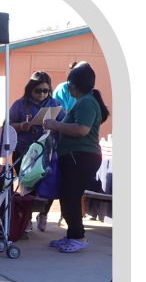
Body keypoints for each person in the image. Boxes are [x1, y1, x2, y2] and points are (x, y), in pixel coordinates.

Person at [40, 63, 107, 253]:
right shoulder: (83, 100)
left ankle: (78, 237)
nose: (67, 87)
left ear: (75, 86)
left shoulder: (87, 101)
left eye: (69, 83)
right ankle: (71, 235)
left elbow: (82, 129)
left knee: (71, 197)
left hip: (82, 157)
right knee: (67, 195)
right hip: (75, 156)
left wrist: (55, 124)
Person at [5, 74, 54, 240]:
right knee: (26, 186)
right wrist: (21, 126)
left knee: (47, 185)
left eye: (45, 90)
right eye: (38, 90)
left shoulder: (55, 104)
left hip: (46, 152)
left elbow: (64, 123)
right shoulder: (20, 104)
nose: (41, 94)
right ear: (30, 89)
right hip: (24, 152)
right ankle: (26, 219)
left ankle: (43, 213)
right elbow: (7, 125)